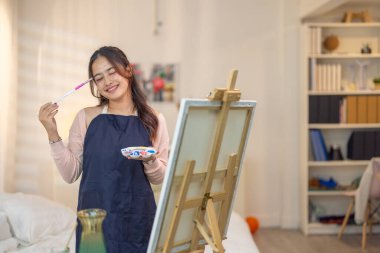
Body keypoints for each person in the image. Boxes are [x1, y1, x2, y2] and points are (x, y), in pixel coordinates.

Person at [38, 46, 169, 253]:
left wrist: (150, 160)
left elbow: (159, 178)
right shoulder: (86, 117)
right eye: (99, 78)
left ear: (127, 69)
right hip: (95, 222)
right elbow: (70, 173)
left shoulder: (154, 120)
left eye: (112, 72)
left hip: (138, 220)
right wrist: (52, 133)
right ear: (95, 85)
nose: (107, 82)